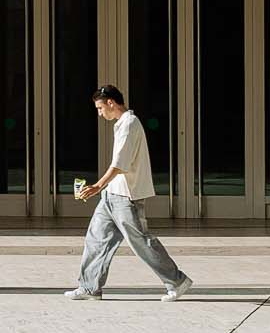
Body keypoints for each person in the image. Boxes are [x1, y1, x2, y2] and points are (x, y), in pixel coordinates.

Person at [62, 85, 194, 302]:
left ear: (111, 103)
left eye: (99, 108)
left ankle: (177, 281)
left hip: (126, 196)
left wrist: (97, 186)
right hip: (111, 196)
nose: (99, 113)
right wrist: (104, 190)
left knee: (141, 242)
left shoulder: (130, 124)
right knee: (96, 239)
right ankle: (89, 287)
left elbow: (120, 164)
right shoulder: (122, 124)